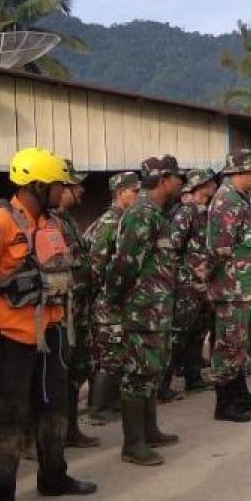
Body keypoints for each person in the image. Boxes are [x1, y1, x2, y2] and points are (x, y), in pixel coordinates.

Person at [0, 147, 97, 501]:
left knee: (54, 404)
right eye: (57, 184)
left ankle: (54, 476)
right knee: (7, 416)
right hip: (12, 337)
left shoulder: (51, 223)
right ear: (38, 184)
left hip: (52, 330)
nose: (62, 191)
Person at [101, 156, 183, 461]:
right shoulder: (142, 214)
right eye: (177, 178)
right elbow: (124, 263)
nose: (181, 183)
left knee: (150, 370)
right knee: (137, 373)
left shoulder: (156, 214)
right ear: (163, 181)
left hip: (155, 309)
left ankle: (149, 431)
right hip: (141, 309)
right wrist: (115, 300)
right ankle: (132, 444)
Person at [207, 150, 251, 421]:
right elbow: (219, 250)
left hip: (249, 288)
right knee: (229, 347)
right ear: (238, 173)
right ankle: (224, 403)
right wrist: (220, 287)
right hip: (233, 290)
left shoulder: (241, 199)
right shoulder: (225, 202)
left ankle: (240, 393)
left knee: (243, 346)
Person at [50, 172, 102, 448]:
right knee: (59, 371)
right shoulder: (49, 223)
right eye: (75, 185)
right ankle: (52, 434)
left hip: (79, 309)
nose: (81, 190)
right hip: (62, 311)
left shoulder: (68, 221)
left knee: (76, 368)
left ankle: (70, 429)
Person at [84, 173, 141, 422]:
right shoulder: (110, 222)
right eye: (134, 191)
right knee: (111, 354)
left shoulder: (125, 219)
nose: (139, 196)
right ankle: (98, 409)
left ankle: (110, 402)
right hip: (108, 300)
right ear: (121, 193)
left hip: (120, 299)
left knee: (118, 352)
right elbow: (96, 264)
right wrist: (101, 297)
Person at [164, 168, 219, 401]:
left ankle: (193, 377)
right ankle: (162, 384)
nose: (215, 186)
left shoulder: (208, 212)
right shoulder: (186, 213)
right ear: (202, 185)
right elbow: (173, 247)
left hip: (205, 284)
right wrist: (188, 272)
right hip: (187, 285)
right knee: (178, 334)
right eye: (210, 182)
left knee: (198, 332)